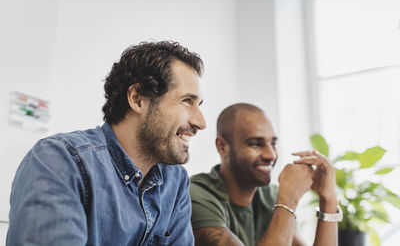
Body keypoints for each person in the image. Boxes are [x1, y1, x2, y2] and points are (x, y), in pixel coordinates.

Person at [7, 41, 207, 246]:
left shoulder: (175, 181)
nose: (201, 123)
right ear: (138, 99)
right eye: (186, 101)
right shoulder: (59, 161)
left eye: (198, 105)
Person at [190, 103, 341, 246]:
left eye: (273, 143)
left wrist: (328, 201)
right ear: (223, 147)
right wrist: (288, 200)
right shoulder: (196, 194)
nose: (271, 155)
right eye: (256, 144)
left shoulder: (271, 196)